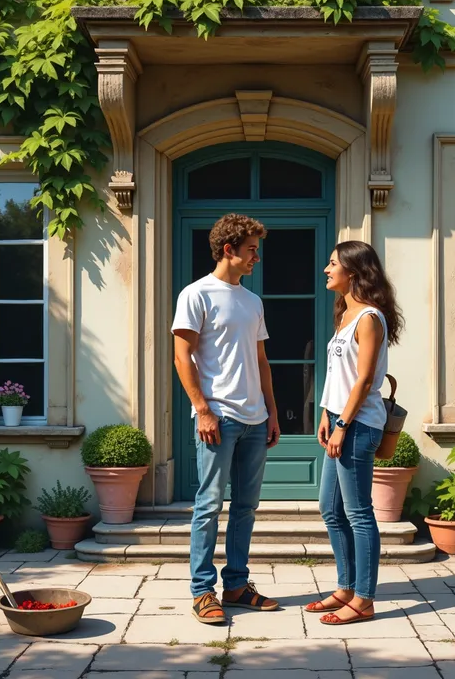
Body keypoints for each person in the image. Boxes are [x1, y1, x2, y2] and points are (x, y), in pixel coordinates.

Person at [172, 213, 281, 625]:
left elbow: (261, 360)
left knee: (246, 507)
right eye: (251, 250)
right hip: (217, 417)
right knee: (208, 504)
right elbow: (182, 356)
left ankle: (236, 584)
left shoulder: (252, 301)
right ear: (229, 249)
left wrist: (271, 411)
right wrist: (202, 408)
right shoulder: (195, 294)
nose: (257, 257)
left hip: (254, 420)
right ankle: (203, 590)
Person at [305, 241, 404, 625]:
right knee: (331, 509)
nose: (327, 270)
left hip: (359, 425)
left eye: (333, 264)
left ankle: (364, 598)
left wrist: (343, 424)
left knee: (359, 513)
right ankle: (346, 587)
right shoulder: (346, 315)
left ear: (354, 271)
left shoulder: (369, 318)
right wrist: (326, 414)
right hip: (341, 420)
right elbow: (339, 376)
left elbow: (363, 380)